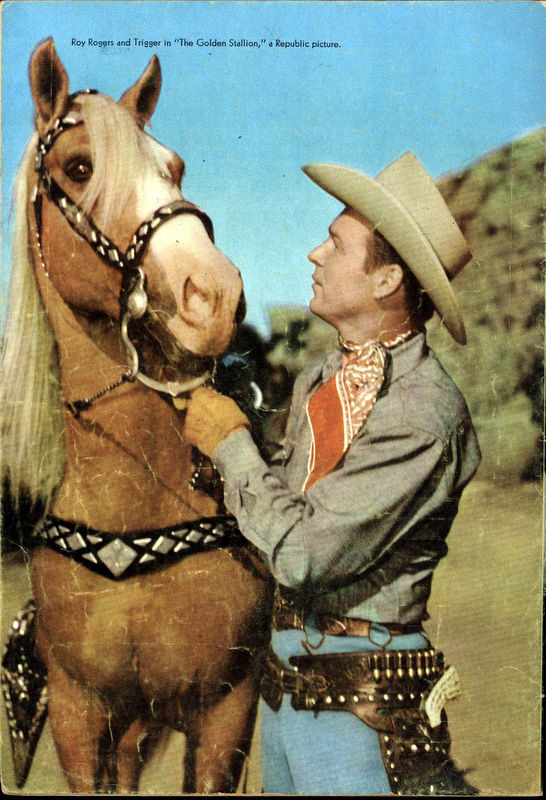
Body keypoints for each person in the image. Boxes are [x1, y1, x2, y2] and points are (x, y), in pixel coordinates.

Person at [178, 152, 481, 795]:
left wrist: (232, 445)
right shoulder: (323, 377)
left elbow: (303, 555)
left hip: (364, 708)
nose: (314, 254)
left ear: (386, 280)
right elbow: (284, 509)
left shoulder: (424, 413)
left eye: (336, 244)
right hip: (286, 694)